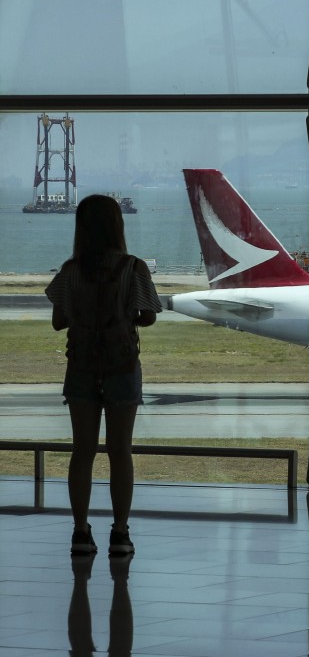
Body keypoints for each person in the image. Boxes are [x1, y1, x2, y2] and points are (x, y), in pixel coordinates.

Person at [46, 194, 162, 557]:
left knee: (82, 452)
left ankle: (80, 531)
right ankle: (121, 532)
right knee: (119, 451)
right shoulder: (133, 267)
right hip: (121, 367)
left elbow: (58, 321)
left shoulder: (71, 270)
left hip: (81, 366)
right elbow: (149, 315)